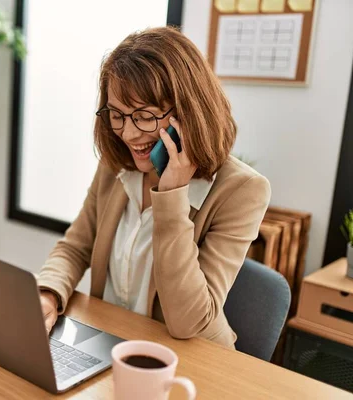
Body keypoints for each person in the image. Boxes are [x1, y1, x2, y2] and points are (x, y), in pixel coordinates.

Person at [36, 26, 271, 349]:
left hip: (191, 359)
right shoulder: (116, 167)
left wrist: (173, 196)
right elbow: (75, 247)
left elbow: (189, 321)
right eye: (117, 115)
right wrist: (47, 294)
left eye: (145, 116)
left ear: (188, 112)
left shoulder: (242, 191)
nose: (129, 134)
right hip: (110, 345)